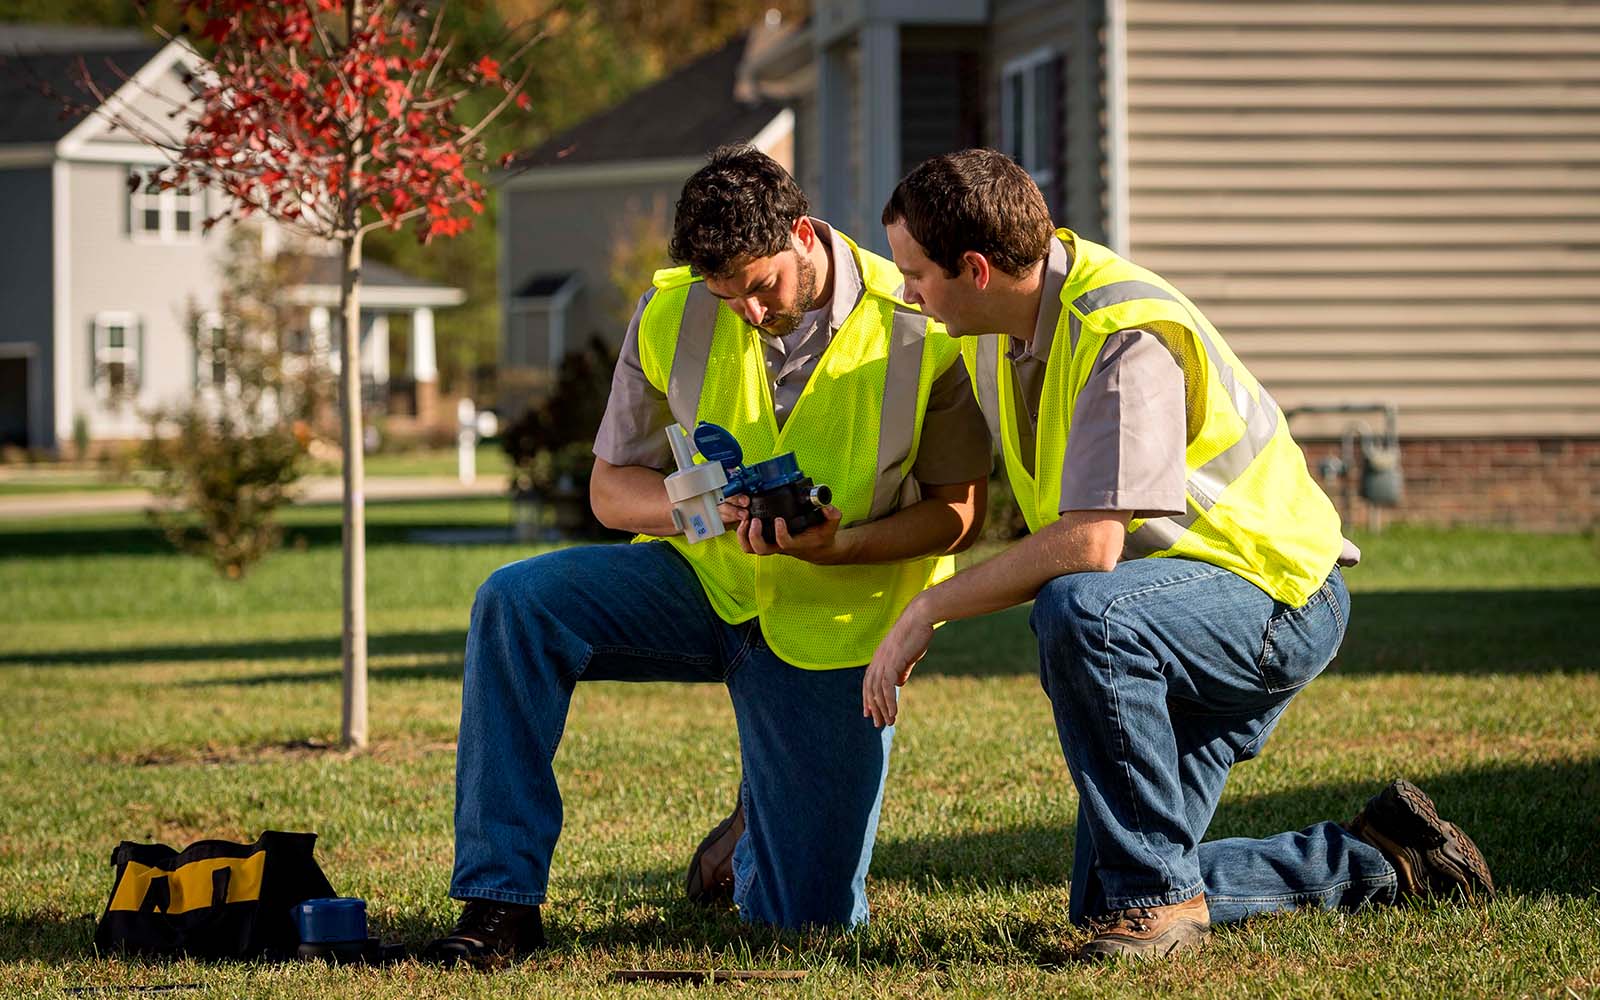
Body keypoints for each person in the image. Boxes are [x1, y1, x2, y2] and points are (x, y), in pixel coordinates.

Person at [859, 149, 1492, 961]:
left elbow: (1091, 546)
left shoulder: (1124, 332)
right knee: (1109, 901)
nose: (907, 291)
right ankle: (1385, 858)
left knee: (1080, 607)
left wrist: (929, 605)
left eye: (916, 274)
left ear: (975, 269)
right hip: (1172, 612)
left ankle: (1161, 902)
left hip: (1275, 599)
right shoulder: (990, 327)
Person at [424, 145, 992, 966]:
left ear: (802, 235)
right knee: (516, 602)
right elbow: (612, 488)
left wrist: (841, 548)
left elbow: (958, 513)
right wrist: (698, 514)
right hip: (705, 585)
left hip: (834, 621)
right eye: (728, 298)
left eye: (762, 289)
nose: (750, 315)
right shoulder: (674, 312)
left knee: (808, 930)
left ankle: (760, 816)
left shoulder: (917, 325)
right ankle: (499, 903)